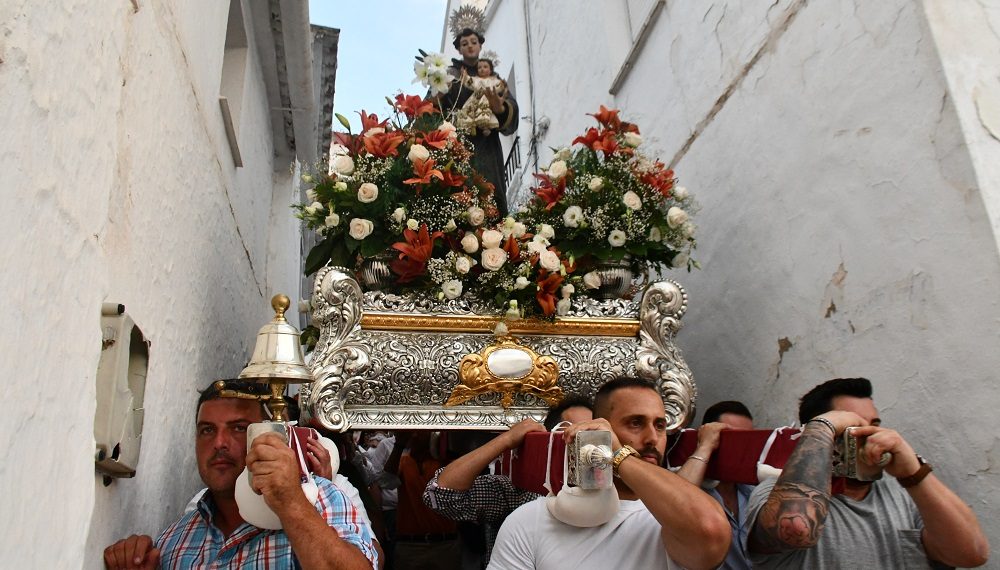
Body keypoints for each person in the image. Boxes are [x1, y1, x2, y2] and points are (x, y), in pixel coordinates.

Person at [103, 380, 378, 570]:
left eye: (238, 428)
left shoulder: (321, 499)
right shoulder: (175, 541)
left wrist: (290, 502)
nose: (220, 443)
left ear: (265, 435)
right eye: (207, 430)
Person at [744, 377, 989, 568]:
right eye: (854, 428)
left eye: (874, 426)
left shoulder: (904, 494)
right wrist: (822, 427)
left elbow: (973, 553)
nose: (872, 436)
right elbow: (796, 530)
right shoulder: (776, 493)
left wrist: (913, 473)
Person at [488, 378, 731, 570]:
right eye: (635, 423)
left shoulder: (668, 520)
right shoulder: (532, 520)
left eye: (660, 425)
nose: (652, 438)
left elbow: (710, 530)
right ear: (599, 428)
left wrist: (618, 454)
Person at [423, 397, 594, 565]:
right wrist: (506, 440)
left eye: (592, 434)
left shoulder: (613, 493)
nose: (584, 445)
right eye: (574, 435)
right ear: (551, 441)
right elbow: (441, 494)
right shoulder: (518, 492)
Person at [436, 26, 518, 217]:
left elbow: (510, 105)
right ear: (458, 49)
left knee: (492, 195)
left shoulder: (492, 77)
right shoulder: (452, 74)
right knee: (459, 194)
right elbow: (431, 107)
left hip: (488, 145)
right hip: (458, 143)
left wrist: (500, 109)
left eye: (474, 42)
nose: (470, 47)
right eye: (464, 44)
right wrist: (438, 95)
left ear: (481, 45)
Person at [674, 401, 756, 570]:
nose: (741, 449)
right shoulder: (694, 488)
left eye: (748, 440)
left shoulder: (753, 492)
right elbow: (675, 501)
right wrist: (705, 446)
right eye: (733, 439)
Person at [386, 431, 461, 570]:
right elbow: (387, 482)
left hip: (444, 546)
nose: (415, 436)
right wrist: (399, 445)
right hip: (410, 547)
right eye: (412, 431)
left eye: (420, 431)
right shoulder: (403, 462)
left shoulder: (445, 463)